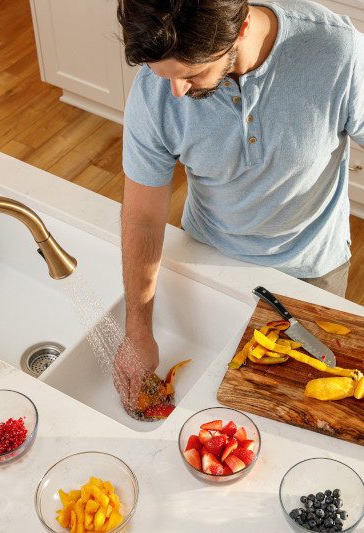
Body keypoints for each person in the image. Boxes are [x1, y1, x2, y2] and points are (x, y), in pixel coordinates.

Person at [114, 0, 364, 409]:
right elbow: (142, 218)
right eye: (165, 76)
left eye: (192, 74)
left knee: (304, 405)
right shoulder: (154, 90)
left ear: (241, 28)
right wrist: (138, 332)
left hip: (311, 269)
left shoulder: (337, 51)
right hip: (208, 261)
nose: (176, 91)